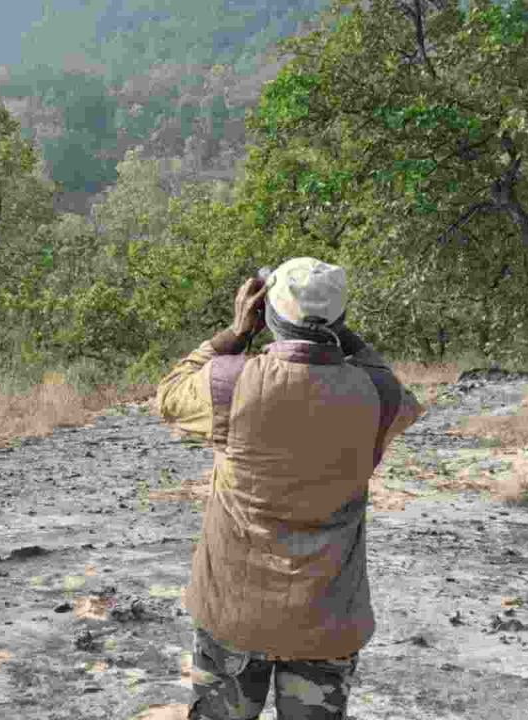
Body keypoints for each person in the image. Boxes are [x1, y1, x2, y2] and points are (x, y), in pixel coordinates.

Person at [156, 257, 425, 720]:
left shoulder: (230, 383)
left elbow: (169, 395)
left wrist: (237, 331)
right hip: (327, 617)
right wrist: (345, 335)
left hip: (234, 612)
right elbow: (400, 392)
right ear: (340, 321)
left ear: (267, 314)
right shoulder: (376, 395)